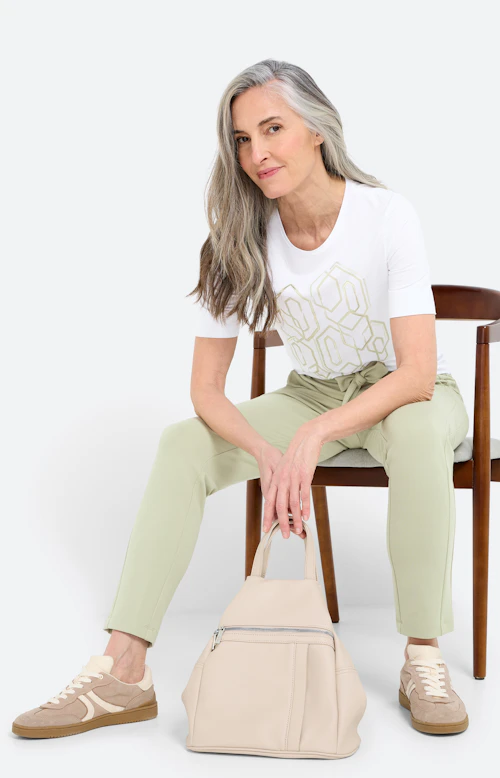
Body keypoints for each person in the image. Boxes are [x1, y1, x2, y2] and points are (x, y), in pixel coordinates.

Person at [12, 58, 470, 739]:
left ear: (317, 128)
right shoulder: (237, 239)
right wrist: (265, 448)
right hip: (312, 392)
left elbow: (416, 373)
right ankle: (123, 670)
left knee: (417, 433)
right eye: (242, 139)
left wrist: (312, 437)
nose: (257, 153)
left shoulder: (384, 215)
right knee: (182, 443)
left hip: (405, 395)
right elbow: (205, 389)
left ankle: (423, 659)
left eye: (273, 128)